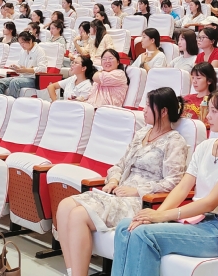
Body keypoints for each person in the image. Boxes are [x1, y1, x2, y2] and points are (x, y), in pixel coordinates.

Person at [111, 86, 218, 276]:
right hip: (197, 219)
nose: (208, 116)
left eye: (214, 111)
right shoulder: (205, 147)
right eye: (209, 110)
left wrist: (162, 216)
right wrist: (155, 216)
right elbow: (182, 188)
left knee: (143, 234)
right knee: (125, 227)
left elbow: (210, 203)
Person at [57, 88, 188, 276]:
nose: (143, 110)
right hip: (118, 193)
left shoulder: (174, 141)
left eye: (148, 106)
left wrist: (137, 191)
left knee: (78, 215)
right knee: (64, 206)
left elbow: (174, 182)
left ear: (163, 111)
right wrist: (114, 179)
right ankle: (72, 272)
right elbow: (121, 163)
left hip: (141, 201)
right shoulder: (142, 133)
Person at [0, 31, 48, 97]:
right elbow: (20, 65)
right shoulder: (23, 51)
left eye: (23, 43)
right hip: (22, 77)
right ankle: (1, 101)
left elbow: (43, 69)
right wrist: (16, 67)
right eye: (20, 43)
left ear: (30, 40)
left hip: (34, 79)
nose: (21, 45)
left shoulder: (39, 51)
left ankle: (12, 102)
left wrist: (26, 70)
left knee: (15, 82)